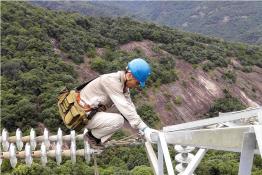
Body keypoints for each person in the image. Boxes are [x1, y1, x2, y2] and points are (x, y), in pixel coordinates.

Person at [78, 58, 157, 148]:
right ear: (130, 76)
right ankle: (91, 137)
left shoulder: (123, 86)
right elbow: (124, 106)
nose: (136, 86)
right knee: (118, 121)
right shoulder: (112, 82)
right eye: (137, 83)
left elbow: (129, 106)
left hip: (88, 112)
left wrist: (142, 128)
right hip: (81, 115)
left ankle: (97, 137)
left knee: (120, 114)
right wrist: (144, 128)